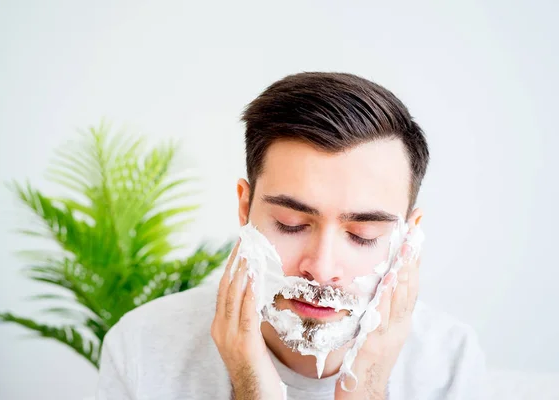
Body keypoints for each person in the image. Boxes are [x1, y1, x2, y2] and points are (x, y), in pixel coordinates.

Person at [95, 72, 487, 400]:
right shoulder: (143, 348)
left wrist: (366, 389)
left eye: (363, 235)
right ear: (244, 208)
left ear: (408, 238)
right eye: (291, 224)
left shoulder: (448, 364)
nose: (321, 268)